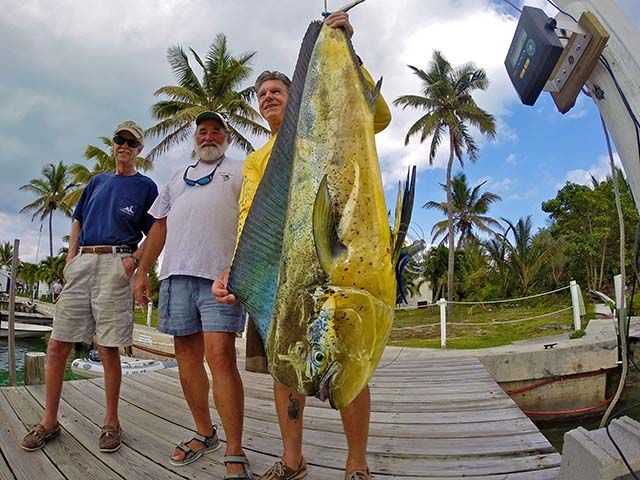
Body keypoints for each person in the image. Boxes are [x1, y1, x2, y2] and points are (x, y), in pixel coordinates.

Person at [213, 12, 391, 480]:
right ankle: (293, 460)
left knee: (352, 365)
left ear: (297, 99)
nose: (269, 98)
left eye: (278, 92)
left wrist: (347, 47)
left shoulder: (334, 134)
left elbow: (379, 115)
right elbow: (251, 220)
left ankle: (357, 463)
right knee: (285, 371)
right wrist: (236, 271)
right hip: (279, 278)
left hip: (331, 274)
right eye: (263, 96)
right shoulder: (254, 162)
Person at [21, 121, 158, 453]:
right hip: (83, 262)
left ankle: (111, 422)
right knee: (57, 345)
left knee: (108, 348)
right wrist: (71, 259)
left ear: (139, 149)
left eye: (131, 141)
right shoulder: (96, 182)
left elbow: (156, 230)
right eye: (119, 140)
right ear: (113, 146)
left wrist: (136, 260)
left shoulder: (146, 187)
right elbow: (78, 219)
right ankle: (49, 422)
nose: (123, 145)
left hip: (117, 262)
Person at [132, 112, 252, 479]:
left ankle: (235, 446)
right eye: (203, 131)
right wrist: (142, 272)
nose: (209, 136)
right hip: (175, 277)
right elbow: (158, 227)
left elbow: (253, 217)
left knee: (221, 358)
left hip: (221, 278)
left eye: (216, 131)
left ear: (226, 137)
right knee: (186, 357)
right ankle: (205, 432)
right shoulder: (175, 178)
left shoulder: (241, 170)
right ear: (195, 138)